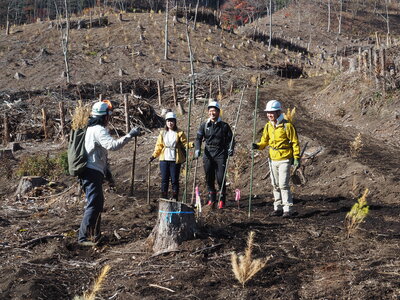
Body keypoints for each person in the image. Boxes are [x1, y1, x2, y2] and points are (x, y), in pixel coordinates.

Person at [78, 100, 141, 246]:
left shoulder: (91, 129)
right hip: (91, 172)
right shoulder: (98, 130)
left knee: (97, 203)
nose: (109, 118)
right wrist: (130, 135)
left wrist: (108, 175)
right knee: (94, 203)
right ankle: (83, 238)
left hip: (93, 172)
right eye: (108, 115)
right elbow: (112, 146)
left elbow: (101, 155)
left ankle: (94, 234)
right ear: (104, 116)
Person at [252, 100, 300, 218]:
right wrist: (258, 146)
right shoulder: (268, 126)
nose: (269, 114)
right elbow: (264, 142)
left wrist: (296, 157)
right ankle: (277, 207)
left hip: (284, 158)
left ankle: (287, 208)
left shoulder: (287, 125)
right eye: (268, 112)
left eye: (272, 112)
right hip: (272, 158)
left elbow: (295, 142)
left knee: (283, 184)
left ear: (278, 112)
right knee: (275, 184)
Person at [195, 101, 234, 209]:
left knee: (220, 178)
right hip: (208, 154)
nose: (212, 113)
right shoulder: (204, 125)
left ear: (218, 112)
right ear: (208, 112)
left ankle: (222, 200)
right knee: (209, 177)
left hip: (220, 154)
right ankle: (212, 199)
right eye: (210, 111)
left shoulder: (224, 126)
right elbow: (198, 139)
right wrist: (197, 149)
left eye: (214, 111)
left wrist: (231, 148)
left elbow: (231, 139)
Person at [149, 112, 193, 201]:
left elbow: (185, 144)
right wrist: (153, 156)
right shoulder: (163, 133)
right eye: (168, 121)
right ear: (166, 122)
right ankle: (164, 196)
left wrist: (191, 144)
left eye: (172, 121)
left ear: (175, 122)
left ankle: (175, 197)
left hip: (175, 160)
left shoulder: (180, 133)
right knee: (164, 179)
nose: (170, 123)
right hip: (164, 159)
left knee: (174, 180)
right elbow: (159, 146)